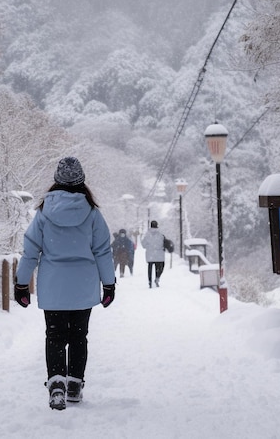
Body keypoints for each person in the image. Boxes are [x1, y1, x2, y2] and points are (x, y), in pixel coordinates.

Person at [13, 156, 116, 411]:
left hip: (54, 286)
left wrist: (21, 284)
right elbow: (103, 250)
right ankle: (74, 384)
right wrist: (109, 284)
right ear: (81, 181)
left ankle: (56, 384)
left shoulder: (44, 212)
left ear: (56, 181)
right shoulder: (92, 213)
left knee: (55, 336)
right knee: (79, 336)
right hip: (83, 286)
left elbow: (30, 251)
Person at [141, 220, 173, 288]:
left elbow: (143, 245)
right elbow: (165, 243)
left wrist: (149, 247)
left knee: (150, 268)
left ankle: (150, 281)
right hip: (159, 254)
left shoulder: (147, 235)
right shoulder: (161, 235)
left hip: (150, 255)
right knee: (159, 268)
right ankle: (157, 278)